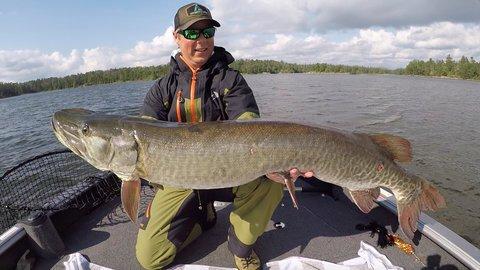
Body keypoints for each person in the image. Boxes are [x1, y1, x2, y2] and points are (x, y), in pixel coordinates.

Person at [136, 3, 312, 269]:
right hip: (181, 178)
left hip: (232, 173)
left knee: (272, 180)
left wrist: (280, 162)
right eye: (192, 34)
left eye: (207, 31)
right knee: (150, 259)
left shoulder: (232, 81)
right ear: (176, 37)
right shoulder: (162, 89)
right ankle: (200, 217)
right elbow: (142, 136)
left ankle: (241, 246)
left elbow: (252, 130)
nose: (202, 40)